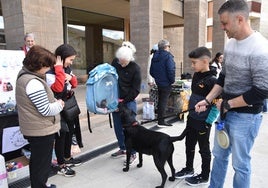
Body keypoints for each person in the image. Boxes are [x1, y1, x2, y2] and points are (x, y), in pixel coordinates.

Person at [195, 1, 268, 188]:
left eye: (225, 23)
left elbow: (262, 91)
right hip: (225, 114)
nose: (222, 27)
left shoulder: (260, 48)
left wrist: (229, 104)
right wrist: (207, 99)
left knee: (240, 165)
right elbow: (223, 78)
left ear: (240, 19)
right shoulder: (230, 45)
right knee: (219, 157)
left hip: (247, 118)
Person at [15, 45, 64, 188]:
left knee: (38, 162)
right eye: (47, 66)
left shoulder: (24, 75)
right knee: (41, 164)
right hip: (40, 130)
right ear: (39, 65)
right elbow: (46, 110)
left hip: (34, 128)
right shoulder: (33, 83)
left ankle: (40, 185)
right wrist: (59, 104)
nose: (49, 69)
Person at [174, 47, 217, 186]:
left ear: (205, 61)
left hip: (203, 122)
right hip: (192, 118)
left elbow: (217, 105)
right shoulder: (197, 75)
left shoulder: (213, 81)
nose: (192, 66)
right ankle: (189, 168)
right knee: (189, 144)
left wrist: (208, 122)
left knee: (203, 149)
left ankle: (204, 176)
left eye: (194, 63)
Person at [46, 44, 82, 177]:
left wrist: (70, 77)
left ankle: (67, 157)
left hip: (68, 105)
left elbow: (75, 84)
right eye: (70, 59)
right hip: (57, 107)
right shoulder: (50, 70)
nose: (71, 63)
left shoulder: (66, 68)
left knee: (70, 131)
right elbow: (57, 88)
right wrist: (59, 69)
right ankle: (61, 164)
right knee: (62, 134)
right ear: (61, 57)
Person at [110, 45, 141, 165]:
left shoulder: (135, 68)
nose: (121, 64)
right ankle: (123, 148)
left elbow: (136, 90)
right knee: (118, 127)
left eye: (124, 63)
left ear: (130, 59)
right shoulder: (115, 63)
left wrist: (123, 101)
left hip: (128, 101)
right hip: (114, 100)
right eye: (120, 62)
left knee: (130, 129)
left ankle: (133, 152)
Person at [150, 39, 175, 127]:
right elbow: (170, 70)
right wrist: (172, 81)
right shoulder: (168, 56)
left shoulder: (154, 56)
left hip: (159, 82)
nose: (169, 48)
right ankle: (161, 121)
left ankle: (160, 119)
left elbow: (151, 71)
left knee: (161, 101)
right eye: (169, 46)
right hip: (166, 83)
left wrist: (157, 78)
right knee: (163, 101)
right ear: (166, 47)